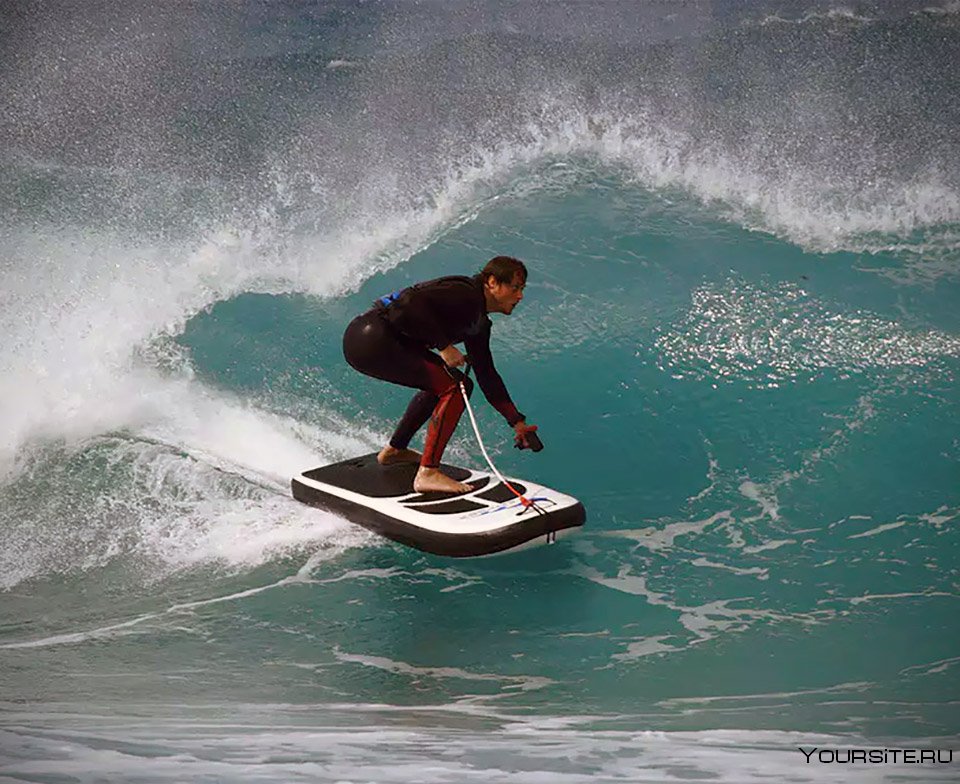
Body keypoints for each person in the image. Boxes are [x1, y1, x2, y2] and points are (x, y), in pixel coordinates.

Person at [342, 255, 539, 494]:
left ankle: (395, 450)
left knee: (450, 384)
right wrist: (444, 346)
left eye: (522, 289)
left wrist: (516, 421)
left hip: (378, 340)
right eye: (515, 288)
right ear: (492, 282)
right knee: (454, 387)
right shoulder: (464, 293)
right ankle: (428, 473)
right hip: (371, 337)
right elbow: (406, 304)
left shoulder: (479, 323)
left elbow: (486, 373)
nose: (520, 296)